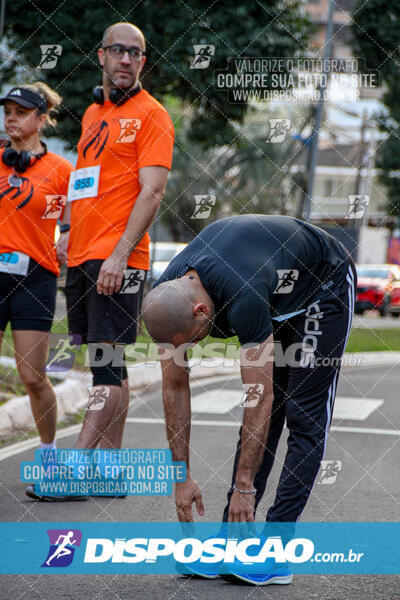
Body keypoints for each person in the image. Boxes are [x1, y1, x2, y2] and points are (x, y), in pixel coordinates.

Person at [142, 214, 356, 586]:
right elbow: (175, 387)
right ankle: (232, 541)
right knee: (264, 420)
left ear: (201, 311)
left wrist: (245, 485)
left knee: (301, 416)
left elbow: (260, 396)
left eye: (193, 340)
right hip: (277, 283)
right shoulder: (167, 297)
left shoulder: (243, 296)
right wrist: (182, 475)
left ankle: (276, 549)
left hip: (324, 282)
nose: (192, 347)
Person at [64, 21, 174, 466]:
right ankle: (108, 466)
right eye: (117, 51)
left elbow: (152, 191)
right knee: (107, 366)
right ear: (101, 55)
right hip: (84, 254)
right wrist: (68, 231)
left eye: (134, 53)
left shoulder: (153, 115)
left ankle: (73, 469)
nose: (125, 59)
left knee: (106, 367)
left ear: (143, 62)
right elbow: (83, 180)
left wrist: (119, 254)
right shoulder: (93, 115)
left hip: (117, 259)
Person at [0, 83, 73, 499]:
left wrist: (68, 235)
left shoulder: (62, 171)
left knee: (32, 376)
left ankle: (49, 458)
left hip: (36, 278)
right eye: (7, 111)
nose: (11, 118)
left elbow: (78, 217)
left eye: (21, 112)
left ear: (41, 118)